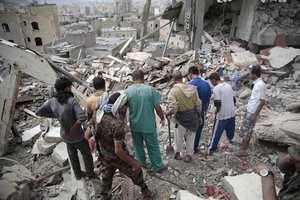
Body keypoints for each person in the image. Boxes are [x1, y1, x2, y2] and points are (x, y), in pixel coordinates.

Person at [85, 92, 156, 200]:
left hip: (104, 156)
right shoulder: (117, 125)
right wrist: (134, 163)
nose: (126, 110)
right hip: (118, 157)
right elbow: (118, 151)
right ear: (120, 106)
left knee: (106, 178)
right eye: (125, 108)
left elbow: (86, 135)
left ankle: (105, 197)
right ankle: (146, 192)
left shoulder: (98, 114)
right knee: (137, 171)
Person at [36, 77, 95, 180]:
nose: (71, 88)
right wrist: (75, 126)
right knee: (86, 154)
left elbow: (39, 112)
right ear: (66, 88)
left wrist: (56, 115)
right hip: (77, 136)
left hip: (64, 135)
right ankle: (90, 174)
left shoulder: (52, 101)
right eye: (70, 86)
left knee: (72, 154)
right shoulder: (71, 100)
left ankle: (78, 175)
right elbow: (82, 116)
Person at [124, 69, 166, 173]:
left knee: (138, 147)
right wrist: (162, 118)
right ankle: (158, 166)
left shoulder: (128, 91)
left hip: (135, 125)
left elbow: (123, 110)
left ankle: (142, 166)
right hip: (148, 125)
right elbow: (158, 108)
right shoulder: (150, 90)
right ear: (143, 78)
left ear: (133, 79)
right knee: (153, 146)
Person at [166, 70, 202, 162]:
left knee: (178, 137)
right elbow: (198, 104)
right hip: (192, 117)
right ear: (182, 77)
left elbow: (173, 108)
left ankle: (178, 154)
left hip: (181, 118)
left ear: (174, 79)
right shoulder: (192, 88)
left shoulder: (173, 92)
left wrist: (168, 112)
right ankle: (189, 155)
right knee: (191, 137)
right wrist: (199, 116)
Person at [237, 65, 267, 157]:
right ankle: (245, 147)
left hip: (252, 112)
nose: (249, 75)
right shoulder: (257, 83)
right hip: (251, 110)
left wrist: (255, 114)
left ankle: (242, 151)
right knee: (247, 131)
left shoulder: (260, 85)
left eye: (250, 73)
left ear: (254, 74)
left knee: (246, 131)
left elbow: (262, 101)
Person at [207, 72, 235, 155]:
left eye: (211, 82)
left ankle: (211, 149)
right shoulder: (228, 85)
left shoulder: (216, 89)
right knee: (230, 129)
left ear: (214, 80)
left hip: (222, 114)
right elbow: (234, 99)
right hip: (231, 112)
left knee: (216, 133)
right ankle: (230, 139)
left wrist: (215, 112)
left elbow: (218, 104)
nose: (211, 84)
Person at [188, 66, 212, 154]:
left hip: (190, 111)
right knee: (198, 130)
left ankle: (188, 148)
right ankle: (194, 148)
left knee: (189, 130)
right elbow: (208, 100)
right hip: (201, 111)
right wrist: (204, 111)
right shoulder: (206, 84)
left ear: (190, 74)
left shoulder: (188, 84)